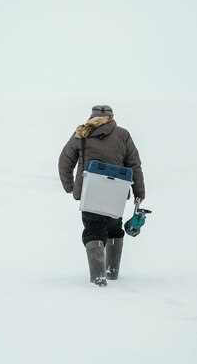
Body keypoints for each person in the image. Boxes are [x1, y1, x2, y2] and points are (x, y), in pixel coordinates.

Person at [58, 105, 145, 287]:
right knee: (114, 228)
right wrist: (139, 193)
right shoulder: (123, 135)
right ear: (112, 118)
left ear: (91, 117)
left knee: (93, 230)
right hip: (117, 194)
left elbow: (64, 161)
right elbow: (134, 165)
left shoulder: (82, 132)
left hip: (90, 193)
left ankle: (98, 278)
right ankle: (112, 272)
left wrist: (70, 186)